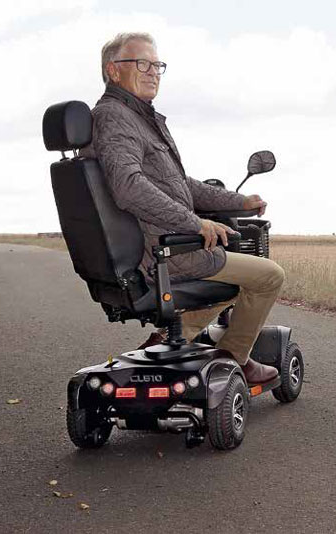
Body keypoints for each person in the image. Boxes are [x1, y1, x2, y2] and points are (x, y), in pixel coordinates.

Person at [87, 32, 282, 385]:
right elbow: (128, 187)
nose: (152, 72)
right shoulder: (116, 117)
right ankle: (236, 357)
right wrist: (194, 224)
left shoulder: (139, 119)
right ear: (113, 71)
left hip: (162, 245)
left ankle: (171, 338)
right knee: (268, 276)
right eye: (141, 63)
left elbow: (182, 185)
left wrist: (240, 202)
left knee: (234, 275)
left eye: (157, 65)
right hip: (166, 252)